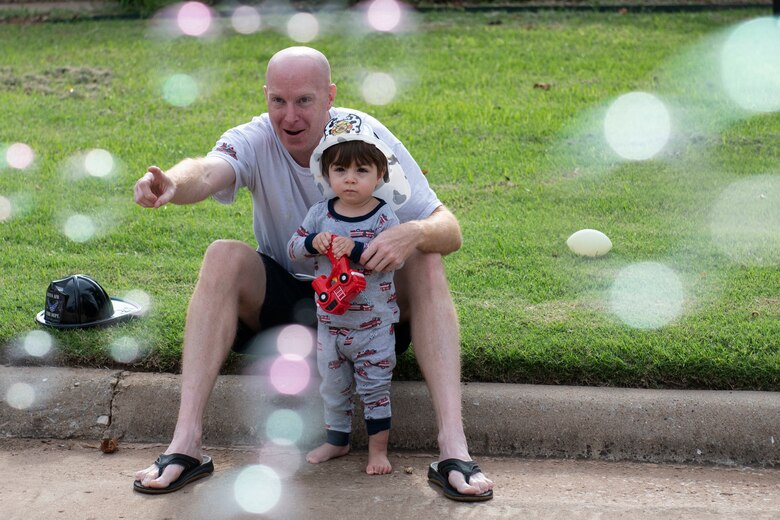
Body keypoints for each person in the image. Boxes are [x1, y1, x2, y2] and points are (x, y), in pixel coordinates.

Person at [132, 46, 493, 501]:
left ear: (330, 97)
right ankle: (185, 446)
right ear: (265, 98)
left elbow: (449, 229)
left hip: (368, 309)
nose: (289, 116)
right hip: (287, 308)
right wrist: (171, 183)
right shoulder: (255, 137)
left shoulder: (363, 140)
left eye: (304, 100)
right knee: (221, 254)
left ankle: (452, 449)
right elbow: (206, 171)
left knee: (426, 255)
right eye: (277, 101)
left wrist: (413, 232)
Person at [287, 115, 401, 475]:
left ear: (380, 175)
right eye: (340, 170)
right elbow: (292, 247)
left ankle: (377, 452)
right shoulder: (320, 213)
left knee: (374, 388)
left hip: (374, 327)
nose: (350, 178)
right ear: (327, 174)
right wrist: (311, 242)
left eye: (362, 170)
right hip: (331, 325)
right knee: (332, 388)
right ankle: (337, 441)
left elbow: (384, 263)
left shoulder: (384, 219)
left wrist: (353, 248)